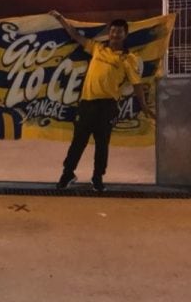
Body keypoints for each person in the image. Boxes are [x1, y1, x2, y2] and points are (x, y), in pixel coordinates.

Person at [50, 11, 154, 193]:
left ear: (125, 35)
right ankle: (68, 174)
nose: (115, 34)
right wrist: (60, 19)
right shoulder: (98, 48)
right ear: (109, 32)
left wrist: (143, 105)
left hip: (107, 106)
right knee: (78, 142)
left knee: (102, 144)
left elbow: (137, 85)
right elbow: (74, 35)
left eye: (119, 32)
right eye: (113, 31)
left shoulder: (128, 59)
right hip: (86, 103)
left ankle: (97, 178)